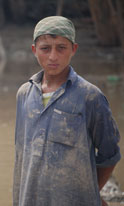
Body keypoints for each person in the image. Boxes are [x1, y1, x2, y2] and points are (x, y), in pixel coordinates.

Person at [13, 16, 121, 206]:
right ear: (34, 50)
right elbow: (22, 155)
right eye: (45, 48)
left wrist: (89, 192)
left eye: (61, 48)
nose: (53, 56)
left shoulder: (90, 96)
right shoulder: (24, 94)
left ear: (73, 49)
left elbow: (110, 153)